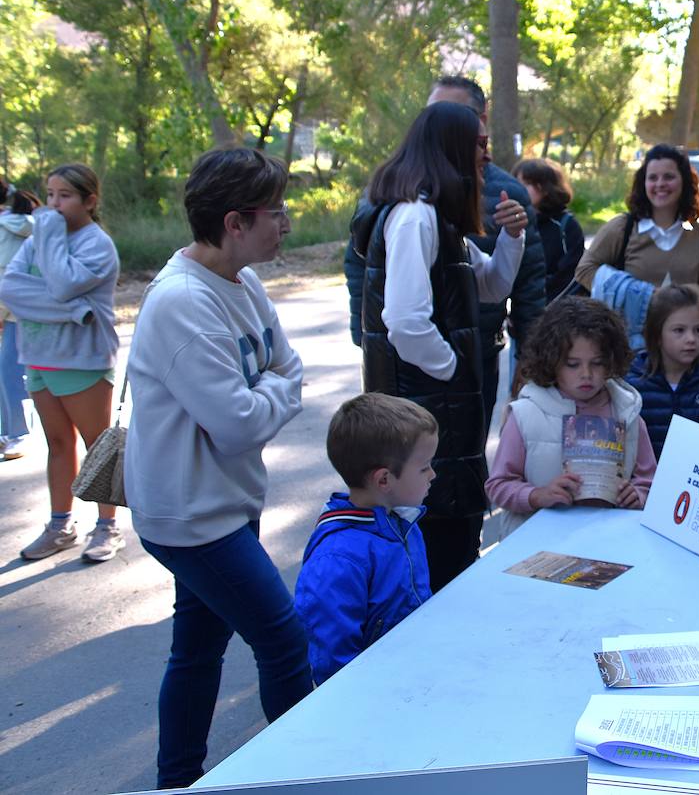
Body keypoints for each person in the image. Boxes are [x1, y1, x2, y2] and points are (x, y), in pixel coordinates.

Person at [122, 148, 312, 788]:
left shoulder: (244, 283)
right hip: (190, 515)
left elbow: (286, 371)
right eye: (276, 210)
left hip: (227, 501)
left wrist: (269, 393)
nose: (285, 222)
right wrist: (275, 393)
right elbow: (239, 426)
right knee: (284, 641)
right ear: (236, 221)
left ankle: (176, 780)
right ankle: (300, 774)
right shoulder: (182, 301)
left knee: (197, 650)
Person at [350, 101, 527, 590]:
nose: (485, 158)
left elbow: (490, 286)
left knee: (450, 551)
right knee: (441, 560)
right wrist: (452, 369)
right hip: (429, 417)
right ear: (449, 147)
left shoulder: (436, 217)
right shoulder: (415, 217)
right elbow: (405, 322)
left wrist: (512, 237)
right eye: (479, 144)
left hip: (441, 419)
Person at [1, 164, 121, 562]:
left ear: (90, 200)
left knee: (97, 446)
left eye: (64, 196)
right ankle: (60, 524)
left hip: (81, 360)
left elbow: (64, 283)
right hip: (37, 356)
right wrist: (71, 311)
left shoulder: (96, 244)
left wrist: (49, 238)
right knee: (56, 444)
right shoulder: (36, 239)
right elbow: (9, 287)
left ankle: (107, 526)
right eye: (50, 194)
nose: (53, 204)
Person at [427, 76, 546, 431]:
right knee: (409, 470)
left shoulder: (505, 193)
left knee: (467, 459)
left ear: (482, 120)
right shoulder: (405, 198)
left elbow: (512, 286)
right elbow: (399, 316)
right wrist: (445, 365)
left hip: (478, 352)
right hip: (416, 365)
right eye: (435, 114)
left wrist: (530, 360)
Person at [295, 393, 438, 686]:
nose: (432, 475)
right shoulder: (338, 559)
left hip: (409, 672)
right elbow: (333, 660)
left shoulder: (400, 520)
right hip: (375, 691)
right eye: (424, 467)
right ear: (384, 480)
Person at [485, 296, 656, 538]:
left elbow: (649, 481)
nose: (586, 374)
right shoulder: (526, 415)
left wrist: (638, 495)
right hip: (538, 546)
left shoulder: (628, 413)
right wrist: (537, 495)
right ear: (551, 361)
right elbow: (498, 485)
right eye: (573, 364)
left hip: (610, 542)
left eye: (597, 363)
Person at [573, 144, 699, 347]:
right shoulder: (622, 229)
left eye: (669, 177)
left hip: (683, 354)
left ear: (684, 181)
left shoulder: (698, 233)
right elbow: (584, 270)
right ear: (643, 183)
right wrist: (639, 295)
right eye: (653, 178)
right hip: (629, 352)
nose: (660, 184)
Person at [628, 283, 699, 459]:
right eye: (679, 330)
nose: (691, 339)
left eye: (698, 330)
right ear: (656, 335)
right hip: (646, 485)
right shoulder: (632, 388)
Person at [513, 157, 584, 302]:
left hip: (558, 308)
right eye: (516, 184)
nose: (518, 190)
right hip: (522, 307)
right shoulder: (515, 224)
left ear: (544, 187)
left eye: (525, 184)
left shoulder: (567, 225)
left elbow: (569, 273)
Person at [0, 186, 37, 460]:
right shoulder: (29, 226)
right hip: (21, 312)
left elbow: (6, 275)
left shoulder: (6, 230)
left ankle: (17, 434)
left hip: (10, 314)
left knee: (9, 372)